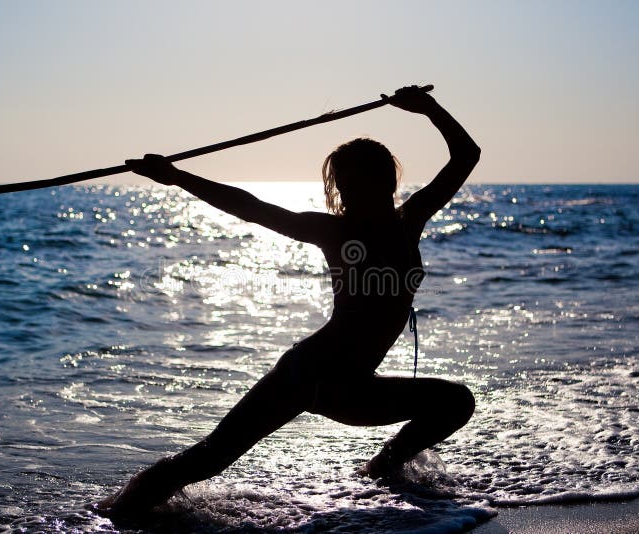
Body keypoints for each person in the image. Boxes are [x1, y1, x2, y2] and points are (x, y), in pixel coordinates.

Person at [95, 85, 481, 518]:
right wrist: (176, 177)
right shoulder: (335, 231)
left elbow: (467, 155)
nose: (359, 189)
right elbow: (251, 207)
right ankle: (111, 515)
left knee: (454, 402)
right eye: (355, 181)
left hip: (354, 387)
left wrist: (428, 108)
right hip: (306, 372)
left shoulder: (409, 219)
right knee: (209, 457)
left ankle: (383, 469)